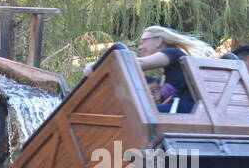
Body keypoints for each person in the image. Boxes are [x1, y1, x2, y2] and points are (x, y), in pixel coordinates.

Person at [85, 26, 217, 113]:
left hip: (188, 111)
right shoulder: (167, 70)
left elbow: (138, 63)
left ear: (158, 41)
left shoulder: (172, 53)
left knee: (140, 116)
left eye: (143, 41)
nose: (140, 47)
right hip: (183, 111)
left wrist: (98, 65)